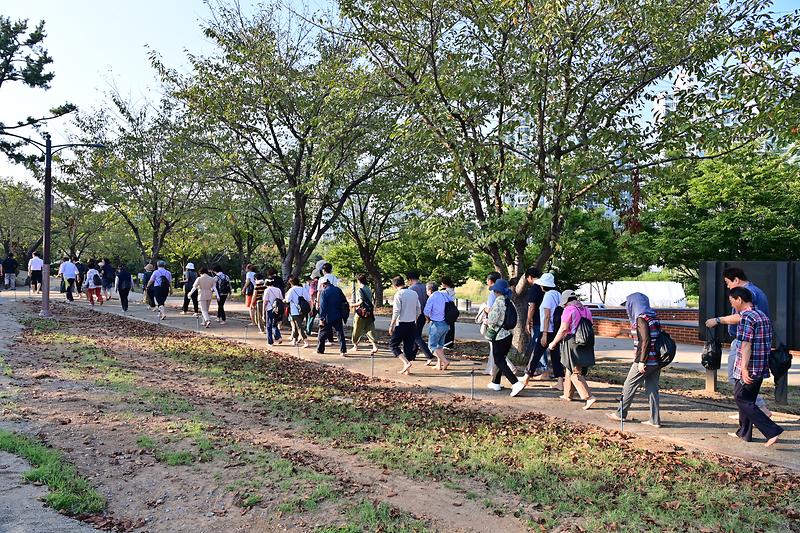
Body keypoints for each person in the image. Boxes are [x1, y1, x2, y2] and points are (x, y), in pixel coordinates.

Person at [704, 267, 773, 418]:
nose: (728, 287)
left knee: (736, 377)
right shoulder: (755, 291)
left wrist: (718, 320)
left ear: (736, 280)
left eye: (728, 283)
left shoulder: (748, 294)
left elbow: (743, 317)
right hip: (751, 342)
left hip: (744, 341)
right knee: (742, 379)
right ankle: (748, 412)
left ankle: (754, 410)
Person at [724, 287, 783, 446]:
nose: (733, 305)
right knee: (748, 399)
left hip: (749, 367)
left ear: (739, 300)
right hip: (761, 365)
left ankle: (772, 431)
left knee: (741, 398)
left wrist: (743, 368)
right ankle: (744, 433)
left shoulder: (747, 318)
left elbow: (746, 345)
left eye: (732, 302)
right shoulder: (762, 315)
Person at [607, 293, 662, 427]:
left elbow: (645, 341)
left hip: (645, 360)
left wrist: (642, 361)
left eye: (629, 304)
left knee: (629, 385)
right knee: (652, 389)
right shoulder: (653, 317)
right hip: (656, 360)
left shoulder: (641, 319)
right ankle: (655, 420)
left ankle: (620, 413)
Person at [548, 290, 597, 410]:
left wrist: (553, 343)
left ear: (566, 301)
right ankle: (567, 394)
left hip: (572, 342)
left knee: (575, 371)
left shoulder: (569, 310)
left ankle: (589, 397)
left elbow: (564, 328)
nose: (563, 306)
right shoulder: (586, 309)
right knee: (570, 368)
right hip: (586, 341)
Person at [483, 279, 526, 397]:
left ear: (496, 291)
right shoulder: (509, 301)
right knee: (500, 358)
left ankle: (515, 383)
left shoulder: (498, 302)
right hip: (508, 334)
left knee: (499, 360)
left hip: (499, 336)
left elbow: (492, 320)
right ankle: (495, 382)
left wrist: (486, 320)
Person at [522, 273, 563, 389]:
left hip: (546, 330)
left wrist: (544, 334)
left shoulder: (548, 296)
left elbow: (546, 315)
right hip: (555, 330)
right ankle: (560, 382)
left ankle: (526, 378)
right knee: (555, 356)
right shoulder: (558, 294)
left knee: (536, 354)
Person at [388, 275, 419, 375]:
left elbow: (396, 311)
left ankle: (406, 363)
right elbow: (419, 308)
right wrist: (415, 318)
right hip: (412, 323)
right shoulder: (414, 293)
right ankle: (408, 369)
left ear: (395, 285)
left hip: (401, 324)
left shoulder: (399, 294)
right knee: (408, 346)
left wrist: (391, 325)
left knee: (393, 345)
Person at [406, 271, 435, 366]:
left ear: (410, 279)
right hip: (424, 315)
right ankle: (412, 355)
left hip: (416, 315)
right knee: (417, 334)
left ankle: (429, 355)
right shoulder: (425, 287)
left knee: (415, 336)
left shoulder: (411, 289)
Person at [521, 267, 545, 373]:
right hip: (547, 320)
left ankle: (543, 369)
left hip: (538, 320)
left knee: (538, 343)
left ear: (530, 277)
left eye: (527, 279)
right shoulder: (546, 287)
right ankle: (538, 367)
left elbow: (532, 306)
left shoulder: (535, 288)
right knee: (539, 343)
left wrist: (528, 321)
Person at [423, 281, 451, 370]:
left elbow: (426, 311)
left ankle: (445, 361)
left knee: (432, 346)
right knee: (440, 346)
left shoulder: (432, 298)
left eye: (426, 290)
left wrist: (427, 319)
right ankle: (438, 365)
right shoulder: (444, 294)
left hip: (436, 324)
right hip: (446, 324)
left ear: (429, 290)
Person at [317, 274, 347, 355]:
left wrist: (321, 318)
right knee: (340, 333)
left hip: (328, 317)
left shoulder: (324, 292)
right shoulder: (338, 290)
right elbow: (344, 301)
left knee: (322, 333)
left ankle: (320, 350)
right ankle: (343, 351)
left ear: (324, 284)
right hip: (338, 315)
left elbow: (323, 307)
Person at [350, 274, 378, 354]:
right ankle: (374, 345)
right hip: (369, 312)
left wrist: (352, 305)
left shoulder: (360, 290)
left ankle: (355, 345)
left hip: (361, 313)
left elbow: (361, 301)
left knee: (357, 329)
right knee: (370, 328)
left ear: (358, 281)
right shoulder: (368, 289)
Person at [285, 275, 310, 347]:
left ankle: (306, 341)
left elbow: (287, 300)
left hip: (295, 311)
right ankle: (294, 340)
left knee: (299, 326)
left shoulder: (291, 290)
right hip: (303, 310)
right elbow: (308, 299)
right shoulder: (303, 289)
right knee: (297, 325)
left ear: (291, 283)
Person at [263, 276, 284, 345]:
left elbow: (265, 301)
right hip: (277, 309)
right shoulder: (278, 289)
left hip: (270, 309)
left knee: (269, 325)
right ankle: (278, 337)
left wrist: (263, 310)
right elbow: (281, 299)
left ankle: (270, 342)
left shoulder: (267, 290)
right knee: (274, 324)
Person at [440, 276, 457, 350]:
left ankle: (445, 343)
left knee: (446, 326)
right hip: (452, 309)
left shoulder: (444, 292)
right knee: (451, 326)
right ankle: (450, 342)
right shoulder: (452, 290)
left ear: (444, 283)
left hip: (446, 309)